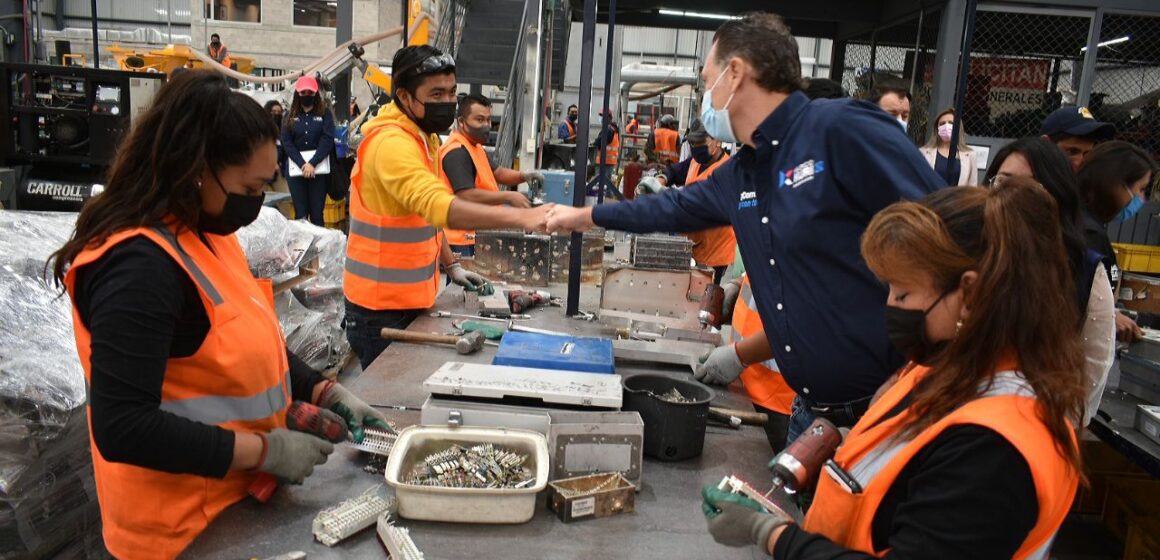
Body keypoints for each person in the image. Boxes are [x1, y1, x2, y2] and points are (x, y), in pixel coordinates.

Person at [547, 12, 944, 440]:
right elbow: (671, 208)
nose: (706, 96)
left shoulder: (841, 130)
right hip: (810, 417)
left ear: (735, 74)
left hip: (889, 411)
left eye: (705, 81)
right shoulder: (741, 174)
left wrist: (926, 374)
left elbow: (950, 229)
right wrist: (585, 216)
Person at [49, 71, 391, 559]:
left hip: (240, 514)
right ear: (197, 168)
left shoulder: (209, 233)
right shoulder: (137, 266)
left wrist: (322, 389)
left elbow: (239, 340)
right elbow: (122, 425)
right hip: (179, 534)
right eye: (251, 186)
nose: (257, 201)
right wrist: (264, 451)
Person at [702, 180, 1084, 558]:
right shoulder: (941, 370)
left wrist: (771, 535)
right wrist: (837, 454)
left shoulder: (998, 450)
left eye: (903, 293)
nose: (891, 307)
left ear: (970, 295)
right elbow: (902, 465)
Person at [343, 45, 551, 369]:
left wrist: (451, 265)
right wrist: (523, 217)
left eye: (452, 92)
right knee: (392, 407)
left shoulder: (424, 139)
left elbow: (425, 220)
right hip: (377, 311)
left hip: (410, 301)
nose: (447, 102)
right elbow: (439, 205)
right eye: (436, 93)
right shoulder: (391, 144)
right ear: (405, 96)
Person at [983, 136, 1116, 426]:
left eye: (1031, 187)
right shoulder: (968, 250)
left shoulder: (1085, 269)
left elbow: (1093, 363)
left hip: (1038, 424)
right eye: (1004, 181)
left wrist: (1057, 424)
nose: (1012, 195)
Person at [701, 250, 796, 450]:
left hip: (777, 400)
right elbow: (769, 268)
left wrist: (739, 355)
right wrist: (738, 284)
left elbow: (800, 325)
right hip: (743, 380)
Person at [439, 94, 541, 257]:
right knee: (465, 282)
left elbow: (498, 173)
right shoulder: (457, 152)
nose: (486, 125)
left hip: (475, 231)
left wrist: (524, 175)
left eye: (488, 120)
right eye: (479, 120)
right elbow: (466, 195)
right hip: (459, 237)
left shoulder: (475, 147)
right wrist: (508, 196)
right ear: (461, 122)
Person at [1078, 140, 1157, 342]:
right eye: (1141, 189)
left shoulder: (1091, 227)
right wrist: (1108, 317)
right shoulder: (1087, 234)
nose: (1142, 199)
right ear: (1117, 185)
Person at [680, 127, 736, 283]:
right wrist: (662, 178)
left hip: (716, 249)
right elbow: (677, 171)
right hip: (695, 245)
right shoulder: (696, 162)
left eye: (700, 143)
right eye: (693, 143)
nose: (696, 148)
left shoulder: (728, 170)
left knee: (707, 296)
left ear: (717, 141)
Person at [281, 76, 335, 226]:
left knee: (317, 214)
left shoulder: (324, 114)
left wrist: (313, 163)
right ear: (298, 94)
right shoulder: (289, 116)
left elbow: (327, 139)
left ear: (315, 94)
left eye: (310, 93)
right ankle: (303, 248)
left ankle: (320, 248)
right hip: (296, 170)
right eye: (303, 92)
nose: (306, 95)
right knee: (301, 213)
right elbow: (287, 141)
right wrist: (302, 164)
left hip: (318, 169)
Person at [1040, 105, 1115, 172]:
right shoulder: (1030, 184)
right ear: (1045, 144)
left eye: (1087, 154)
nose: (1080, 163)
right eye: (1071, 152)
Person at [920, 108, 978, 186]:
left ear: (958, 127)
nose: (946, 126)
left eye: (951, 123)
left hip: (957, 198)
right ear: (937, 129)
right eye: (942, 123)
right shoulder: (923, 152)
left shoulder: (970, 155)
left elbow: (972, 186)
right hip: (932, 197)